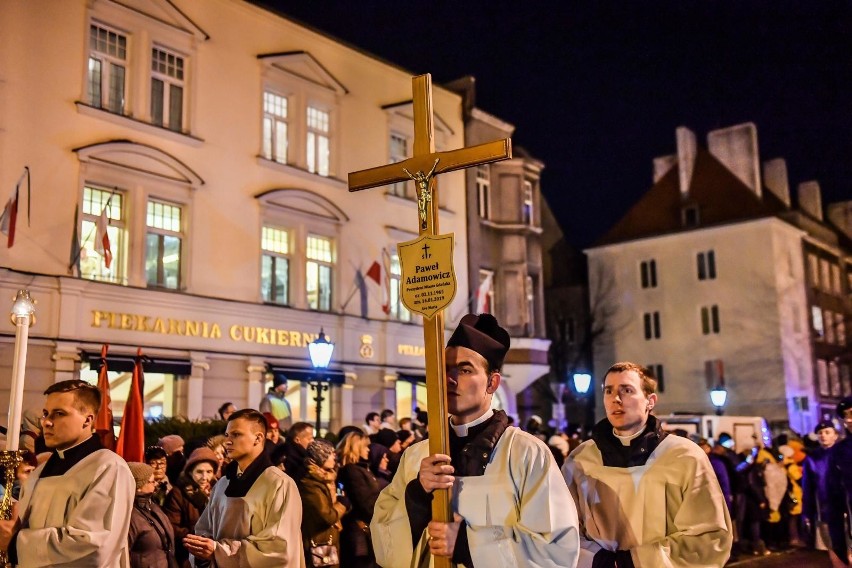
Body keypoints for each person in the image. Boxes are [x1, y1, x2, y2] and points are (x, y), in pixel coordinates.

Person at [372, 313, 580, 567]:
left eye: (464, 369)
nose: (449, 378)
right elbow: (383, 541)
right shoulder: (417, 456)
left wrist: (466, 545)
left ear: (492, 383)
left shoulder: (527, 453)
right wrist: (416, 496)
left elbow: (557, 549)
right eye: (445, 368)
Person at [562, 362, 732, 567]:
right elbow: (563, 529)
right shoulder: (580, 460)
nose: (616, 399)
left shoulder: (685, 457)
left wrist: (633, 562)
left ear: (650, 401)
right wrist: (600, 561)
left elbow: (708, 537)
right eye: (609, 391)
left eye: (627, 390)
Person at [0, 379, 135, 566]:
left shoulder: (108, 468)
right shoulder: (38, 472)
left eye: (59, 414)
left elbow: (93, 547)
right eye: (46, 414)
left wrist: (16, 544)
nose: (46, 422)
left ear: (88, 420)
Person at [184, 409, 303, 567]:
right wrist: (202, 553)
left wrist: (218, 551)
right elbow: (203, 531)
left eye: (236, 434)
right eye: (227, 435)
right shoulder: (222, 484)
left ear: (258, 438)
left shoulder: (279, 484)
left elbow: (278, 548)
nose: (228, 441)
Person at [164, 447, 219, 567]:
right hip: (187, 557)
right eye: (199, 472)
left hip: (216, 554)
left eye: (209, 472)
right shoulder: (178, 493)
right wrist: (199, 537)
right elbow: (171, 527)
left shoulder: (219, 491)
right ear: (190, 472)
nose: (204, 477)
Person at [300, 439, 350, 568]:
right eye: (330, 453)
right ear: (320, 457)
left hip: (331, 540)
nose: (335, 456)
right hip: (319, 543)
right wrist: (343, 504)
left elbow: (338, 500)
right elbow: (326, 516)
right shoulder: (310, 484)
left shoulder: (330, 479)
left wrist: (341, 499)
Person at [337, 431, 381, 567]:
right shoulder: (352, 471)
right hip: (358, 532)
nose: (368, 450)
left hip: (364, 529)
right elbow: (363, 500)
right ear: (356, 447)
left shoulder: (361, 469)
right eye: (365, 446)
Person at [127, 462, 178, 568]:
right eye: (152, 481)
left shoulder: (152, 506)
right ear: (139, 486)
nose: (155, 484)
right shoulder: (130, 516)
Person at [827, 397, 852, 566]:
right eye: (846, 415)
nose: (849, 419)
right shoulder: (840, 451)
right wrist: (838, 542)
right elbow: (834, 495)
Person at [283, 421, 315, 485]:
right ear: (297, 440)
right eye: (309, 438)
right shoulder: (290, 459)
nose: (313, 441)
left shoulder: (304, 456)